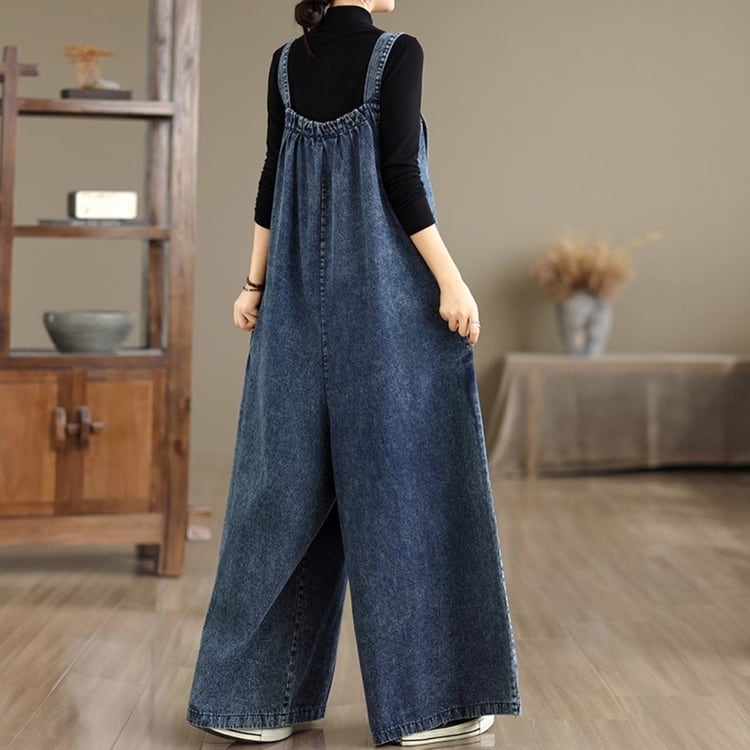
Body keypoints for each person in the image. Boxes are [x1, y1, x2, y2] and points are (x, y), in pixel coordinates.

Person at [187, 0, 522, 746]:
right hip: (384, 308)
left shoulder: (285, 64)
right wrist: (451, 282)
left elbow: (271, 177)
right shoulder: (397, 53)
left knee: (280, 494)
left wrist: (253, 286)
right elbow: (400, 175)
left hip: (293, 305)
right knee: (408, 489)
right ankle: (435, 706)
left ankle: (254, 706)